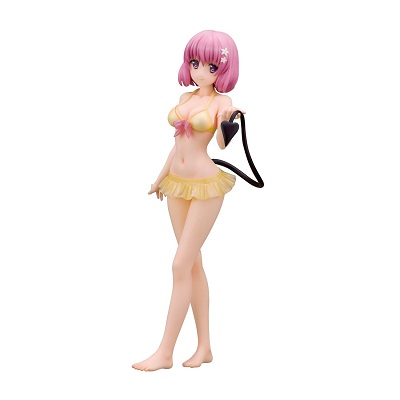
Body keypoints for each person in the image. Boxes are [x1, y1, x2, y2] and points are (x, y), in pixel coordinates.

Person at [132, 29, 242, 371]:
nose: (200, 71)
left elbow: (222, 145)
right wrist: (160, 178)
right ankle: (204, 347)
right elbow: (176, 145)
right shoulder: (185, 98)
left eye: (210, 65)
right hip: (177, 185)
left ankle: (165, 352)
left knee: (180, 264)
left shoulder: (222, 103)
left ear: (223, 68)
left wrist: (229, 122)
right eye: (195, 62)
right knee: (192, 264)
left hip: (206, 185)